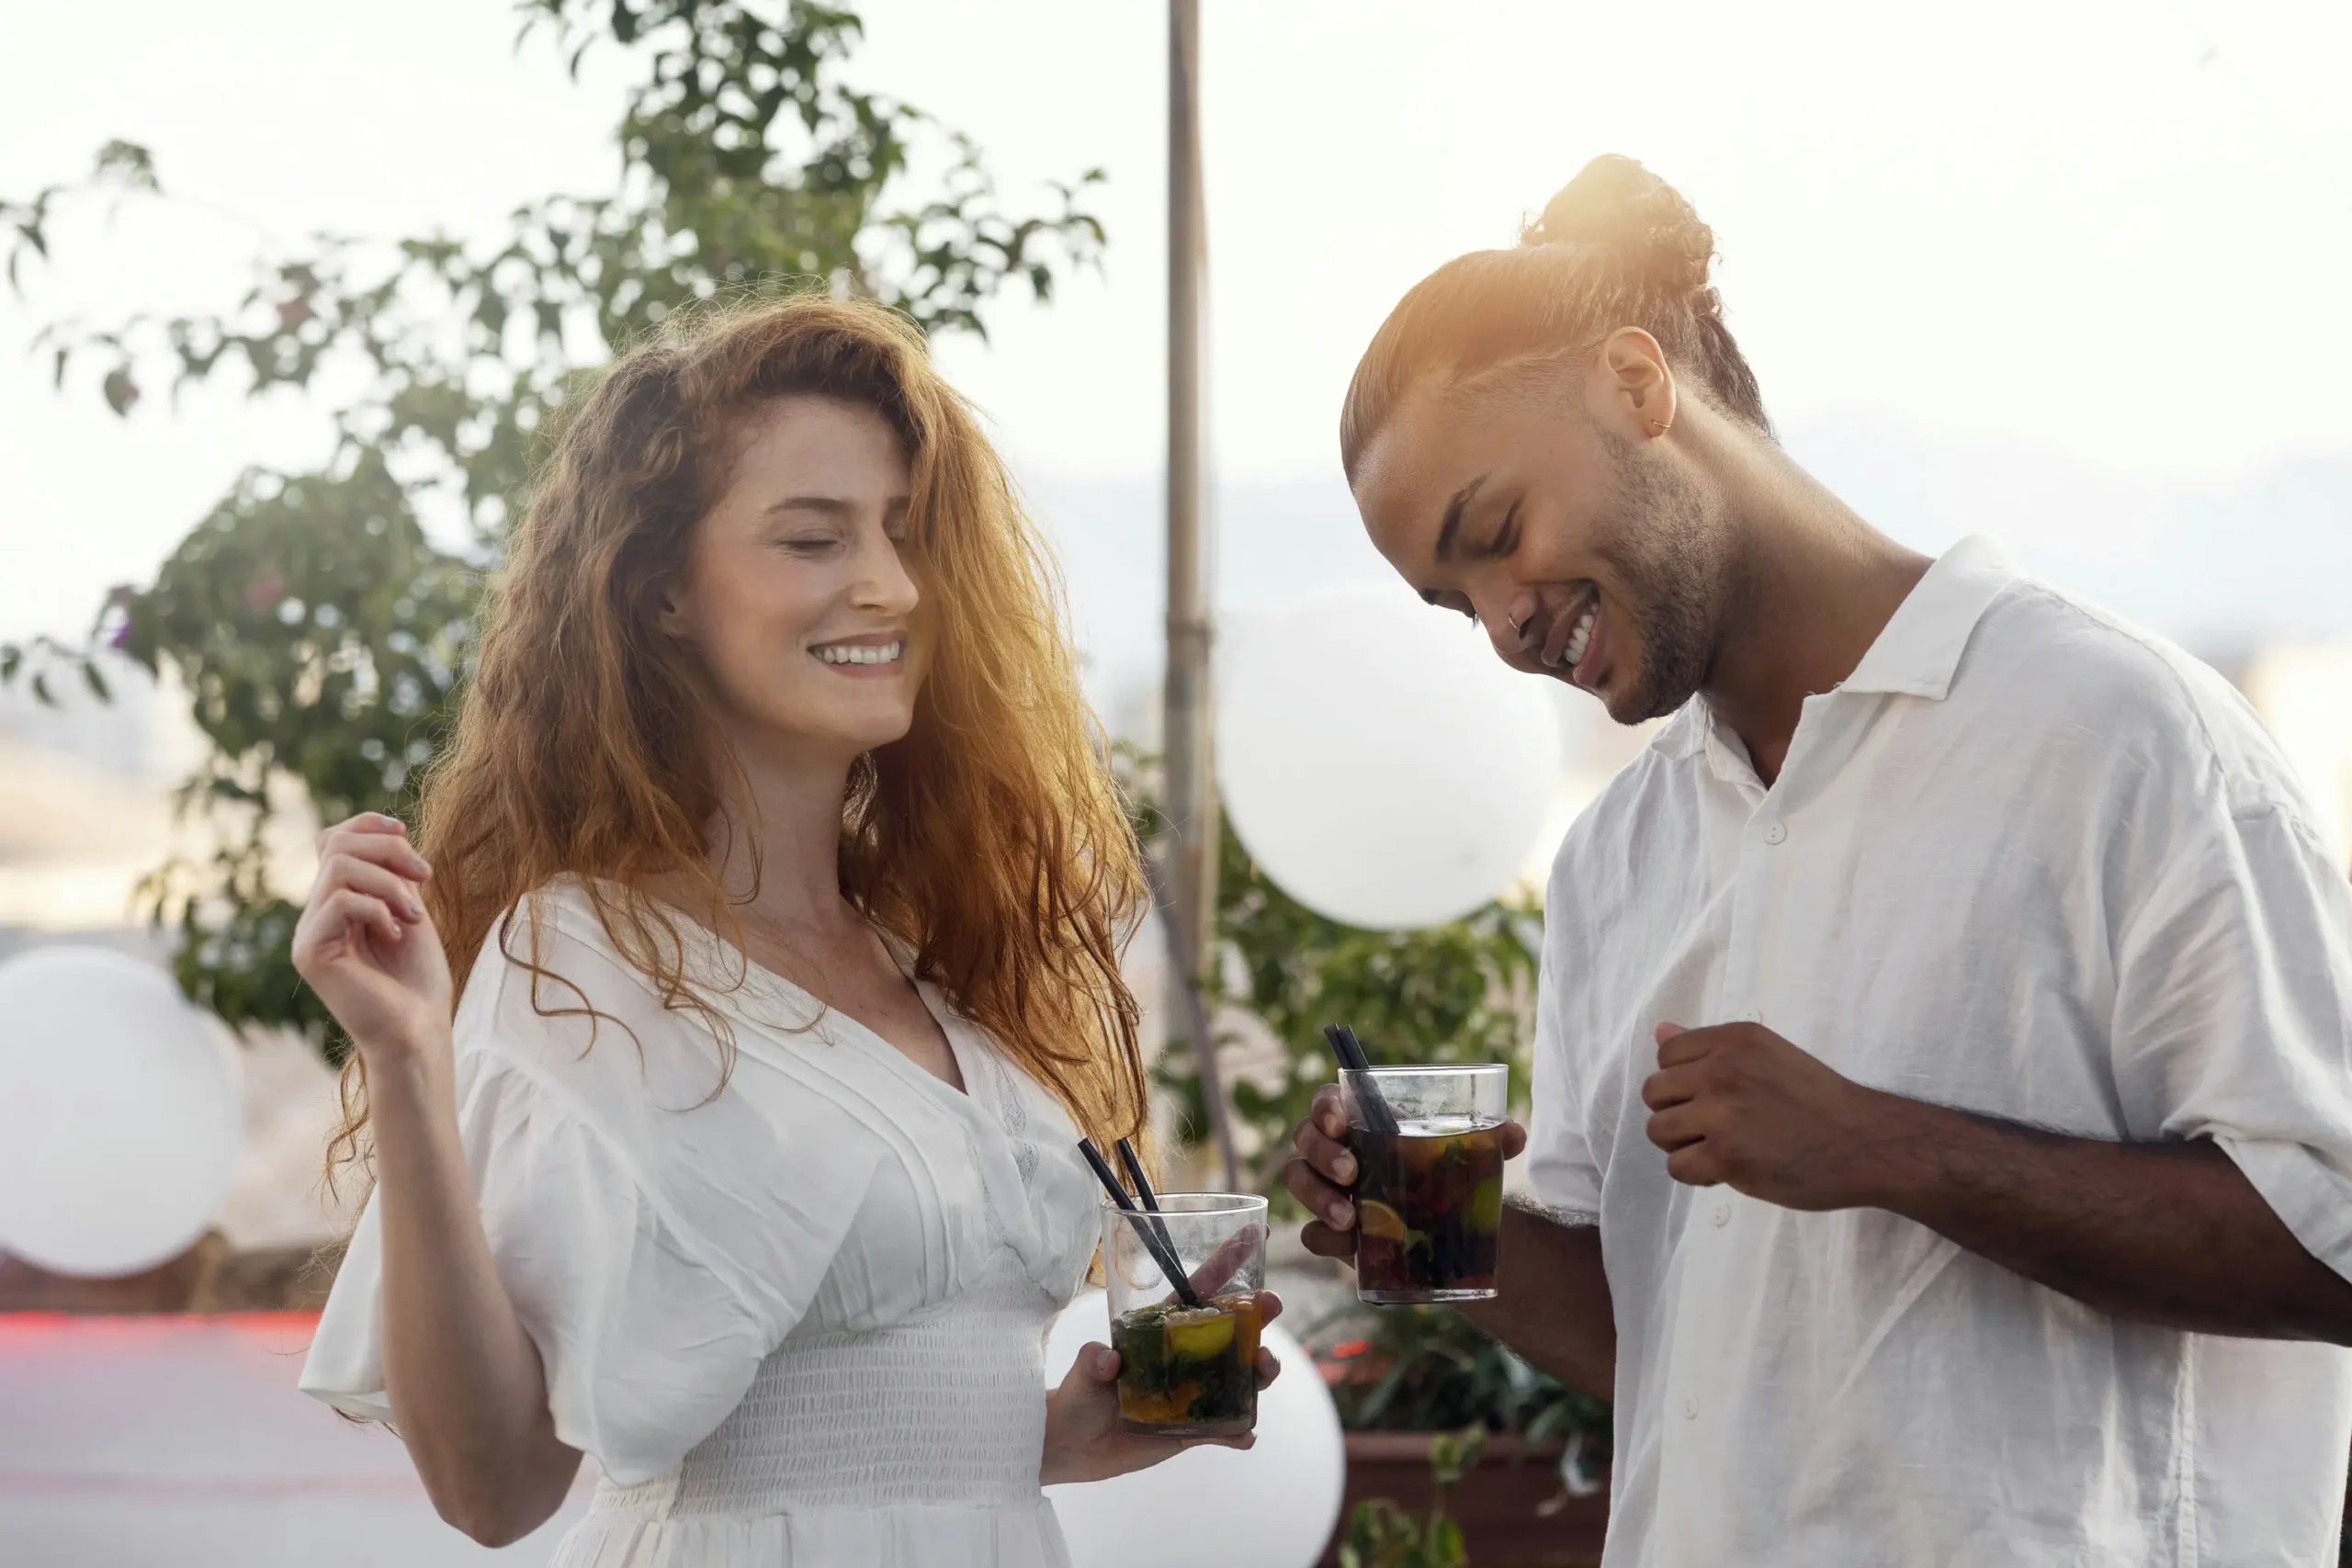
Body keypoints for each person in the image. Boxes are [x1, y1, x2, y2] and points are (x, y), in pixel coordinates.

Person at [1285, 154, 2352, 1564]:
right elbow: (1654, 1336)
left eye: (1494, 537)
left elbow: (2330, 1232)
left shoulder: (2116, 736)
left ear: (1635, 384)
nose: (1501, 627)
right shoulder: (1621, 852)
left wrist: (1886, 1145)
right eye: (1452, 601)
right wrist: (1431, 1237)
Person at [295, 295, 1279, 1566]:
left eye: (906, 534)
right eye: (813, 539)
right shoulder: (588, 962)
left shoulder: (946, 961)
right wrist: (407, 1060)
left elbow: (836, 1419)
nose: (889, 583)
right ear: (659, 595)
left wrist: (1029, 1435)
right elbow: (493, 1488)